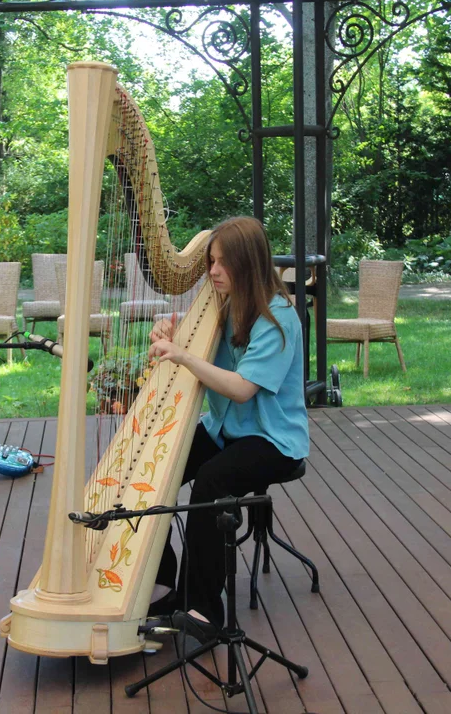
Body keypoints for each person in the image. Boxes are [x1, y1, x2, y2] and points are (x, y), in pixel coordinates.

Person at [146, 215, 310, 642]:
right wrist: (170, 330)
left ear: (248, 264)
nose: (214, 271)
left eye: (223, 263)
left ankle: (203, 608)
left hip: (272, 438)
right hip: (226, 429)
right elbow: (193, 340)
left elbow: (241, 389)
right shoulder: (223, 302)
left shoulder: (278, 318)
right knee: (156, 471)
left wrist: (182, 356)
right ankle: (161, 584)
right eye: (211, 262)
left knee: (213, 480)